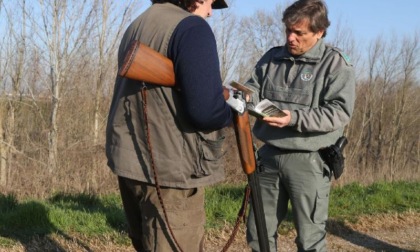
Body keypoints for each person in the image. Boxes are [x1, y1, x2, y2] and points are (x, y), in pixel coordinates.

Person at [105, 0, 232, 251]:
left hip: (132, 163)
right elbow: (205, 112)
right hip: (171, 171)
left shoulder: (138, 23)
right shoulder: (192, 28)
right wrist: (230, 111)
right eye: (210, 3)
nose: (210, 12)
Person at [244, 0, 356, 251]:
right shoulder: (272, 57)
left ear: (319, 32)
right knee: (258, 233)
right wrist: (244, 97)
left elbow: (339, 112)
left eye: (299, 33)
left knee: (310, 239)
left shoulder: (335, 64)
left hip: (310, 161)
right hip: (268, 156)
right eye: (288, 31)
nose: (291, 38)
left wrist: (293, 118)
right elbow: (252, 87)